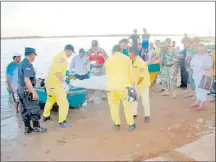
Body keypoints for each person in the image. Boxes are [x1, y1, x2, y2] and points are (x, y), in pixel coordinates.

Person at [105, 44, 136, 131]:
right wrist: (131, 86)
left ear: (113, 51)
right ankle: (131, 125)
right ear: (121, 51)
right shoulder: (126, 58)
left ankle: (116, 124)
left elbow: (107, 73)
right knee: (127, 107)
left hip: (111, 88)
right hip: (123, 87)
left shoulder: (108, 60)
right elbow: (130, 73)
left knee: (114, 107)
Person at [43, 44, 74, 128]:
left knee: (50, 99)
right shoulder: (62, 57)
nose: (71, 54)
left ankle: (46, 116)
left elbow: (58, 70)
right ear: (69, 50)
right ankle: (62, 122)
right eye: (71, 52)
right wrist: (64, 83)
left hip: (49, 83)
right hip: (55, 84)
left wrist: (65, 77)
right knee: (64, 103)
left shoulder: (59, 56)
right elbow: (57, 72)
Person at [17, 47, 47, 134]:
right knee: (34, 108)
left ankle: (27, 128)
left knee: (24, 109)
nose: (35, 57)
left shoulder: (21, 63)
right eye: (34, 55)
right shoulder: (27, 64)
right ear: (31, 54)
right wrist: (33, 92)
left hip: (21, 89)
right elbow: (27, 79)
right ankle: (36, 127)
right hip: (27, 90)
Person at [129, 46, 151, 122]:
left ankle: (147, 115)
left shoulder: (140, 62)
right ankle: (134, 113)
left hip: (143, 85)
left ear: (132, 53)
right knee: (133, 100)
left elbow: (141, 77)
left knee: (145, 100)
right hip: (134, 84)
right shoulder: (132, 61)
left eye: (129, 52)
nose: (128, 54)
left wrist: (136, 85)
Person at [190, 44, 212, 110]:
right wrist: (194, 67)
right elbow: (191, 65)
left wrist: (202, 66)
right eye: (199, 50)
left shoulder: (207, 57)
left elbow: (210, 67)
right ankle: (197, 101)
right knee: (197, 89)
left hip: (204, 76)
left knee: (203, 90)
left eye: (202, 50)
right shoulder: (195, 56)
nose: (200, 51)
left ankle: (202, 104)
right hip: (196, 75)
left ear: (204, 49)